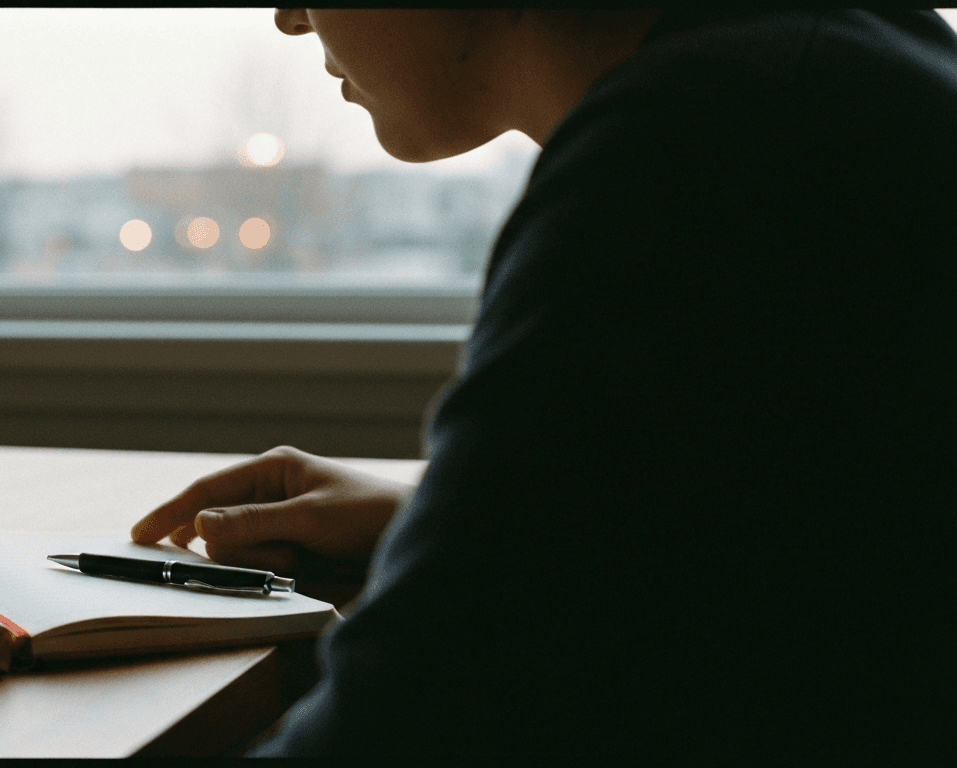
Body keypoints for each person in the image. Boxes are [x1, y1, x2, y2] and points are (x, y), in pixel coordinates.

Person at [131, 9, 957, 758]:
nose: (288, 18)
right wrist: (456, 530)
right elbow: (818, 563)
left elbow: (407, 732)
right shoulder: (837, 62)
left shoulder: (705, 150)